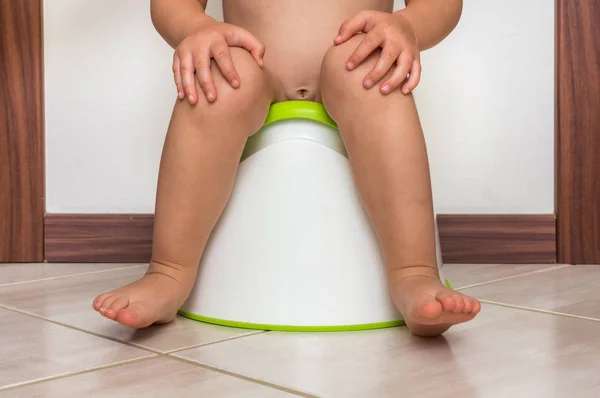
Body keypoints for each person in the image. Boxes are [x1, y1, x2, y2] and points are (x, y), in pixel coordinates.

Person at [92, 0, 480, 337]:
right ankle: (168, 271)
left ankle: (414, 272)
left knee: (375, 76)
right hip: (252, 70)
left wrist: (406, 26)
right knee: (216, 83)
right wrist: (198, 29)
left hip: (355, 65)